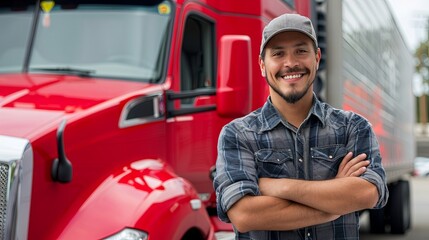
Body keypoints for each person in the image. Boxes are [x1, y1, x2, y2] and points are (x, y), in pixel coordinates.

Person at [213, 13, 389, 240]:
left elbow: (367, 193)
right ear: (262, 65)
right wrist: (336, 195)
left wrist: (280, 187)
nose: (290, 63)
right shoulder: (237, 134)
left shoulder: (353, 127)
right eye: (278, 53)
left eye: (301, 51)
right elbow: (245, 215)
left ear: (317, 58)